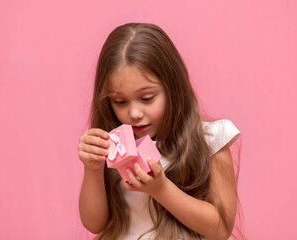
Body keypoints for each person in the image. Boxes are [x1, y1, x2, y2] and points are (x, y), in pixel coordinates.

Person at [78, 23, 242, 240]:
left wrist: (161, 189)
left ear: (172, 88)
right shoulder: (114, 144)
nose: (134, 113)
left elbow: (220, 229)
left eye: (147, 98)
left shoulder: (210, 139)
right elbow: (94, 224)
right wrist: (93, 169)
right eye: (120, 101)